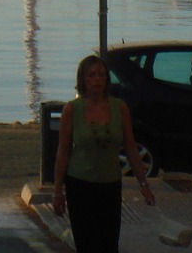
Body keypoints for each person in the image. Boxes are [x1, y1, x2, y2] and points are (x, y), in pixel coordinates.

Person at [52, 53, 155, 253]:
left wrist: (144, 183)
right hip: (80, 185)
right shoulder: (72, 110)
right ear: (83, 80)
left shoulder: (119, 108)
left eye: (100, 75)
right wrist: (58, 191)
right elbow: (63, 152)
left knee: (108, 244)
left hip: (110, 185)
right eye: (91, 75)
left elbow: (131, 147)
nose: (97, 80)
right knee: (87, 243)